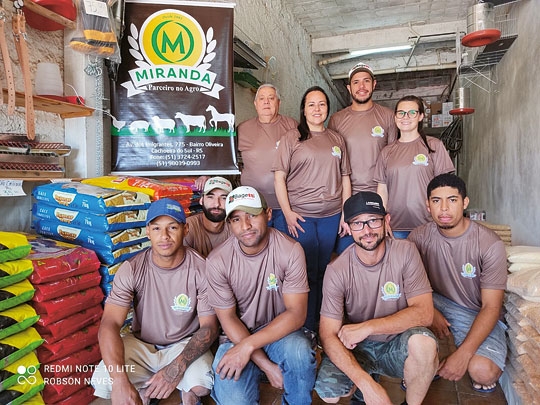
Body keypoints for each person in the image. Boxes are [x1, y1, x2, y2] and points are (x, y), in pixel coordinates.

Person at [314, 191, 438, 405]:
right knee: (329, 391)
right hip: (358, 347)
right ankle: (365, 388)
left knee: (424, 343)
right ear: (348, 228)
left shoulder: (406, 252)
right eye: (358, 224)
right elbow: (328, 334)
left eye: (373, 220)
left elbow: (425, 313)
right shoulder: (337, 269)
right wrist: (366, 385)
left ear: (386, 221)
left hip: (396, 344)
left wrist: (368, 327)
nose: (367, 230)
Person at [92, 198, 219, 405]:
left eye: (173, 227)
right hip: (142, 344)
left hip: (182, 344)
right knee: (104, 381)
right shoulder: (132, 268)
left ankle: (183, 392)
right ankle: (145, 390)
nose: (164, 236)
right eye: (157, 228)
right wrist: (120, 380)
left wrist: (175, 369)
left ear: (185, 230)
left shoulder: (201, 269)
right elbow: (110, 324)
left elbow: (209, 328)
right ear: (148, 231)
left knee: (200, 383)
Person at [206, 186, 317, 405]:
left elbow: (296, 314)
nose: (245, 226)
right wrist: (264, 363)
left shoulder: (290, 250)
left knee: (299, 352)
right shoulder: (217, 260)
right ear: (229, 224)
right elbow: (227, 318)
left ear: (267, 214)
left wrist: (248, 347)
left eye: (252, 215)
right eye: (236, 219)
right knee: (231, 391)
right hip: (236, 338)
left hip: (280, 335)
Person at [408, 173, 508, 394]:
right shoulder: (418, 237)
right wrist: (429, 310)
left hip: (475, 311)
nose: (444, 209)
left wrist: (462, 355)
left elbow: (491, 306)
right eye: (436, 201)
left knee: (483, 371)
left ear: (465, 203)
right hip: (435, 301)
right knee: (399, 306)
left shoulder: (489, 244)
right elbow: (406, 284)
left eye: (452, 200)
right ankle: (420, 365)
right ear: (427, 205)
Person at [273, 86, 351, 332]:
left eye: (322, 104)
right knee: (302, 273)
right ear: (303, 109)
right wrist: (287, 212)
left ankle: (318, 325)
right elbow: (279, 178)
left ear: (327, 108)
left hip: (331, 217)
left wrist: (345, 213)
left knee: (321, 271)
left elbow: (345, 177)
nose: (317, 109)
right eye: (311, 104)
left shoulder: (337, 139)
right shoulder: (292, 137)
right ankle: (301, 326)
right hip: (300, 216)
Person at [196, 84, 297, 226]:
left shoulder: (292, 126)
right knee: (256, 245)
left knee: (284, 244)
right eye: (261, 98)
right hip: (252, 204)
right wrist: (207, 173)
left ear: (278, 103)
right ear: (255, 104)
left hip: (287, 204)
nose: (266, 102)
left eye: (271, 98)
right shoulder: (243, 129)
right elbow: (222, 152)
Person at [328, 62, 398, 253]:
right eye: (356, 82)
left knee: (379, 251)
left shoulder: (387, 116)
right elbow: (332, 162)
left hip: (379, 194)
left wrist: (388, 205)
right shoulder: (336, 120)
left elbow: (392, 159)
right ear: (349, 88)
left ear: (374, 84)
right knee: (348, 252)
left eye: (366, 81)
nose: (361, 87)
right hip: (347, 196)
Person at [374, 95, 455, 238]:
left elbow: (445, 187)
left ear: (420, 116)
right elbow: (382, 189)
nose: (406, 117)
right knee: (400, 260)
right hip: (395, 226)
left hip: (429, 224)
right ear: (395, 117)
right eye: (401, 113)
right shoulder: (386, 152)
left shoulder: (433, 146)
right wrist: (382, 218)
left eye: (412, 113)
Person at [183, 176, 233, 257]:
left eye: (224, 198)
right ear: (201, 200)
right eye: (210, 197)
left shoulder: (234, 227)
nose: (217, 204)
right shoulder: (188, 227)